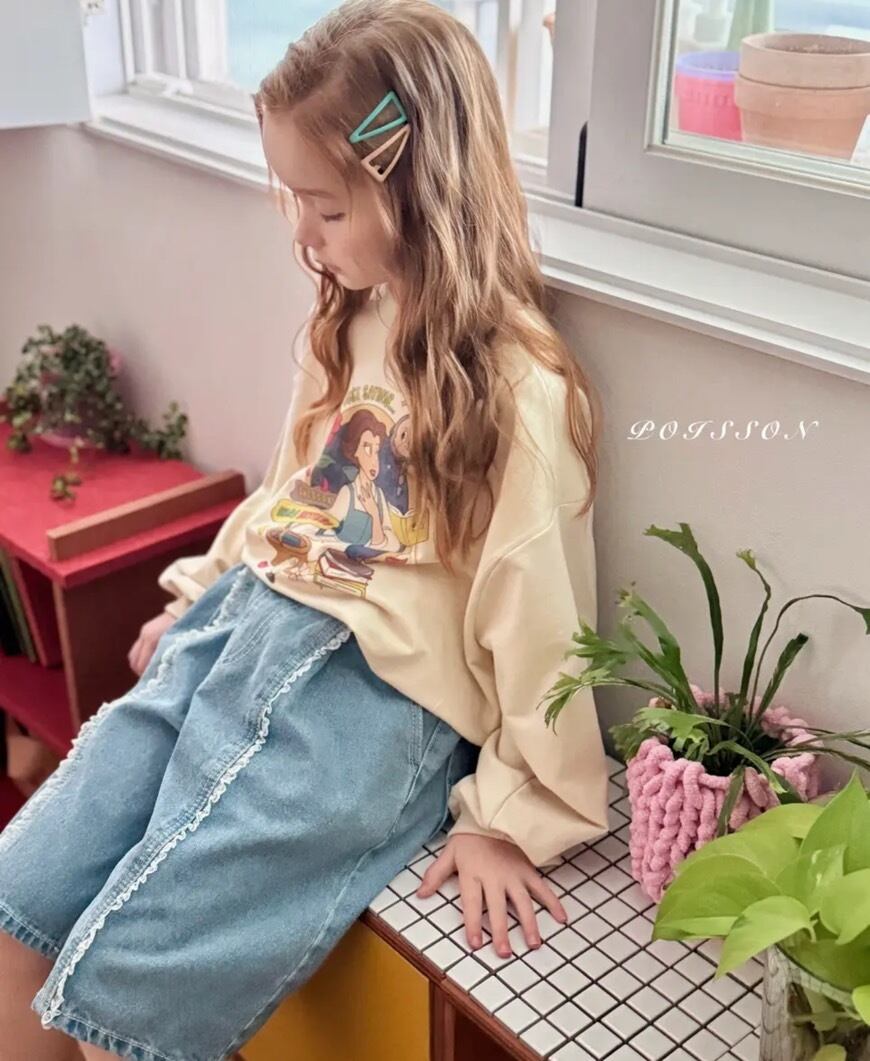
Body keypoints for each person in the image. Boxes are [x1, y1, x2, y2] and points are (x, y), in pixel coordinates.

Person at [0, 1, 610, 1057]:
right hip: (246, 629)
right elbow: (297, 491)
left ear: (416, 186)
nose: (302, 234)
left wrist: (509, 817)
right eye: (294, 199)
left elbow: (540, 615)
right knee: (21, 893)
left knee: (127, 995)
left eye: (324, 207)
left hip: (366, 703)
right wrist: (202, 593)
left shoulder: (519, 391)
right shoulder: (356, 318)